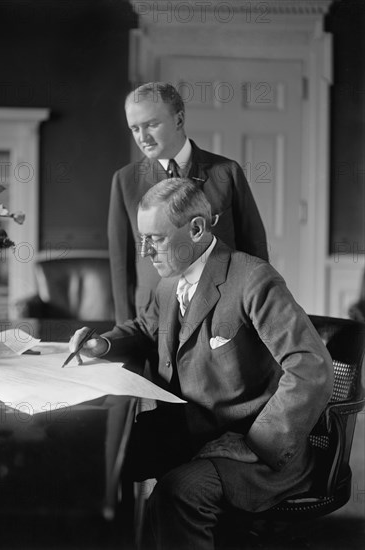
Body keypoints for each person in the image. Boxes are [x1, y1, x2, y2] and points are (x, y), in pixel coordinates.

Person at [71, 178, 333, 550]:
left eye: (155, 239)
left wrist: (257, 444)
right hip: (189, 431)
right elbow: (145, 330)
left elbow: (311, 365)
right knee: (100, 461)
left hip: (253, 445)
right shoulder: (169, 283)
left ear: (196, 228)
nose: (144, 251)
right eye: (141, 238)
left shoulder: (253, 279)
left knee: (180, 492)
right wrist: (102, 344)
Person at [108, 81, 269, 324]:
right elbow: (121, 267)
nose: (143, 138)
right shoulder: (125, 182)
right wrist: (125, 331)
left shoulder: (226, 172)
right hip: (153, 319)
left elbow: (254, 249)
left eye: (151, 124)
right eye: (135, 128)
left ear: (179, 120)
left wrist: (257, 315)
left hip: (221, 312)